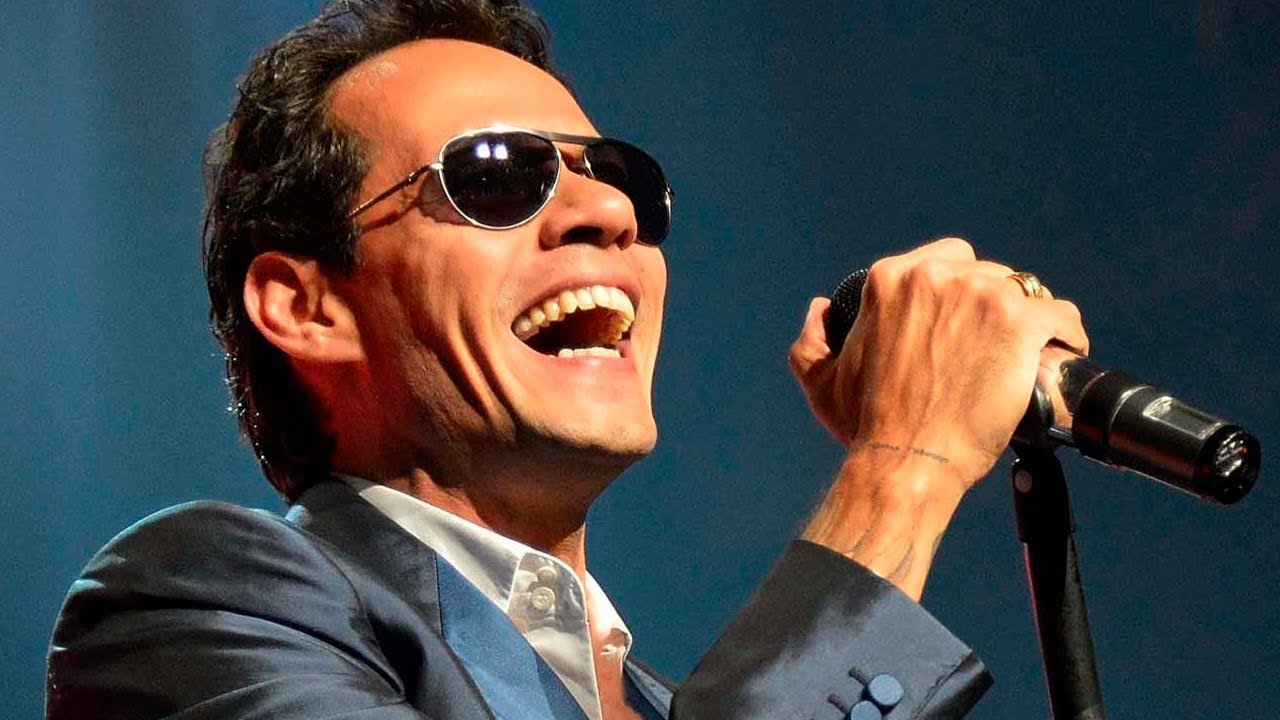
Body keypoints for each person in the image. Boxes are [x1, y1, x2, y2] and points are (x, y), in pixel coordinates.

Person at [46, 1, 1089, 718]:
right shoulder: (193, 611)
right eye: (498, 175)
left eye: (616, 176)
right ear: (307, 306)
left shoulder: (667, 702)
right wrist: (903, 464)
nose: (607, 214)